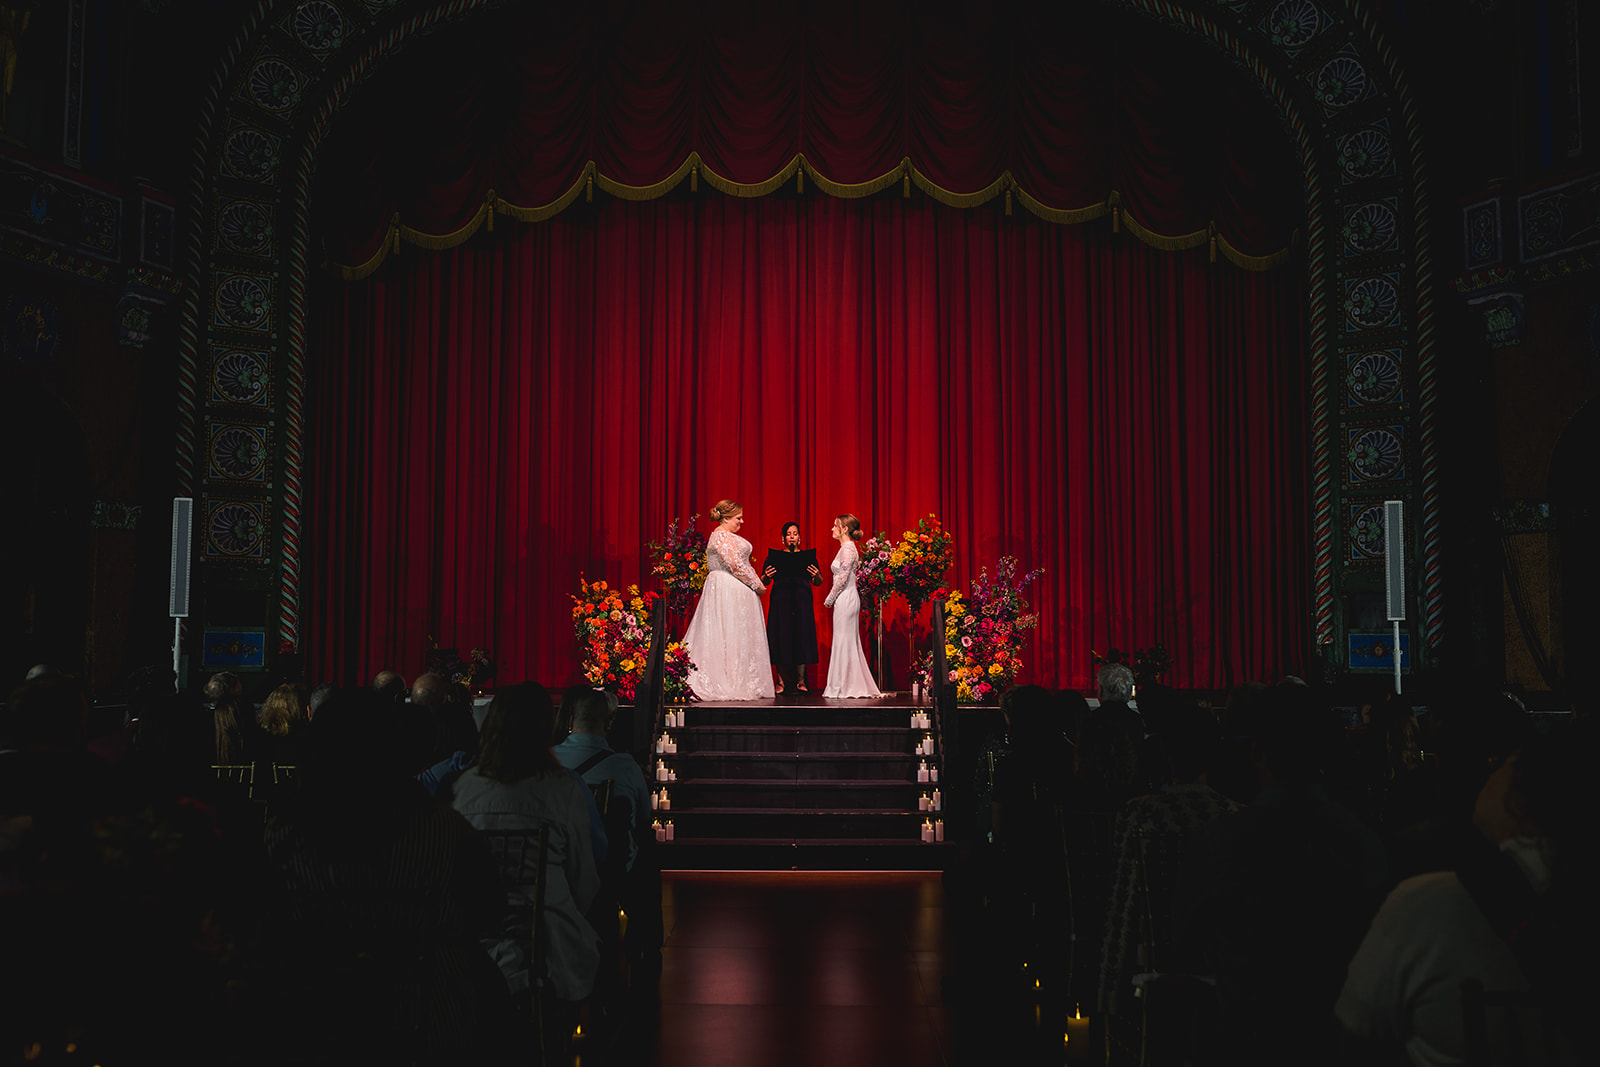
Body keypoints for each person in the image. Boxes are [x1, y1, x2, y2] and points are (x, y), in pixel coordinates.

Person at [447, 682, 603, 1006]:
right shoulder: (563, 791)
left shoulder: (464, 789)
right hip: (552, 950)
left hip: (473, 947)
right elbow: (585, 881)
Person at [682, 499, 774, 701]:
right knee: (724, 632)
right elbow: (735, 565)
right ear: (725, 518)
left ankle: (737, 677)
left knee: (734, 634)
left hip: (735, 592)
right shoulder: (721, 536)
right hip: (726, 590)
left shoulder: (727, 536)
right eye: (738, 518)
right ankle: (726, 679)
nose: (741, 522)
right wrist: (757, 585)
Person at [822, 513, 881, 699]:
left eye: (835, 525)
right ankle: (842, 683)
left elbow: (842, 578)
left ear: (844, 529)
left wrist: (829, 599)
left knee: (845, 640)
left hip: (845, 598)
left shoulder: (848, 548)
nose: (832, 529)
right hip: (845, 597)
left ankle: (846, 685)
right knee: (843, 640)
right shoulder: (845, 548)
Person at [762, 521, 822, 693]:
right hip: (781, 601)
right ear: (783, 539)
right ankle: (780, 681)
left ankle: (801, 681)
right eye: (789, 534)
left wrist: (817, 575)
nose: (792, 537)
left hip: (802, 601)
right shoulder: (774, 557)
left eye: (795, 534)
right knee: (780, 636)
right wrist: (766, 575)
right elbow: (763, 580)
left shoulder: (807, 557)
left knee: (801, 636)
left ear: (800, 538)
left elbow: (819, 582)